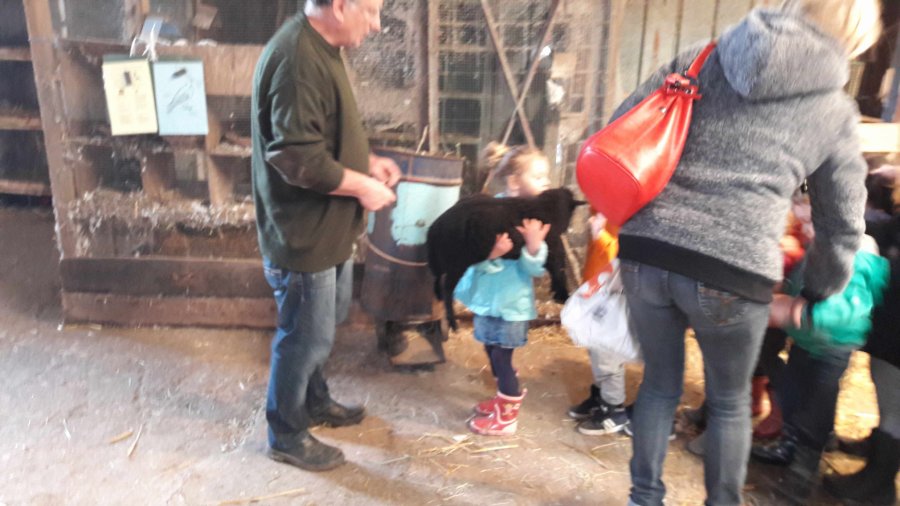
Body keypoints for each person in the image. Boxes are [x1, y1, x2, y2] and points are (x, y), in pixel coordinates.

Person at [606, 1, 881, 504]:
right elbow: (842, 221)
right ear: (855, 32)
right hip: (735, 266)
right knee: (730, 402)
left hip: (647, 248)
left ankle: (643, 498)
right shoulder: (834, 109)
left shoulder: (701, 55)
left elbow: (621, 123)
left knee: (659, 385)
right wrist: (820, 289)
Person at [251, 0, 402, 472]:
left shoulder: (324, 48)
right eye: (371, 11)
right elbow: (298, 158)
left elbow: (321, 134)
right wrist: (363, 187)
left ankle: (314, 401)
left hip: (328, 227)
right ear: (339, 6)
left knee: (324, 324)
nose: (377, 25)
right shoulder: (297, 59)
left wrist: (365, 163)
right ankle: (286, 433)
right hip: (304, 233)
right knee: (303, 339)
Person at [751, 234, 889, 502]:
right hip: (805, 341)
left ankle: (802, 474)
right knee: (794, 394)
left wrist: (805, 315)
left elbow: (852, 307)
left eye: (808, 217)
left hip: (832, 345)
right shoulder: (817, 244)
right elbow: (802, 287)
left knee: (816, 407)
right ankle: (790, 443)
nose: (803, 222)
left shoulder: (856, 252)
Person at [456, 143, 551, 436]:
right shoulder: (490, 212)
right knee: (490, 348)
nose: (546, 182)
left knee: (502, 358)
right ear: (514, 181)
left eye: (546, 177)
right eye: (538, 176)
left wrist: (534, 246)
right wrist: (493, 254)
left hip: (512, 305)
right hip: (487, 300)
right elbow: (472, 253)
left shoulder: (534, 218)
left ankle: (507, 416)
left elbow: (535, 270)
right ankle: (502, 398)